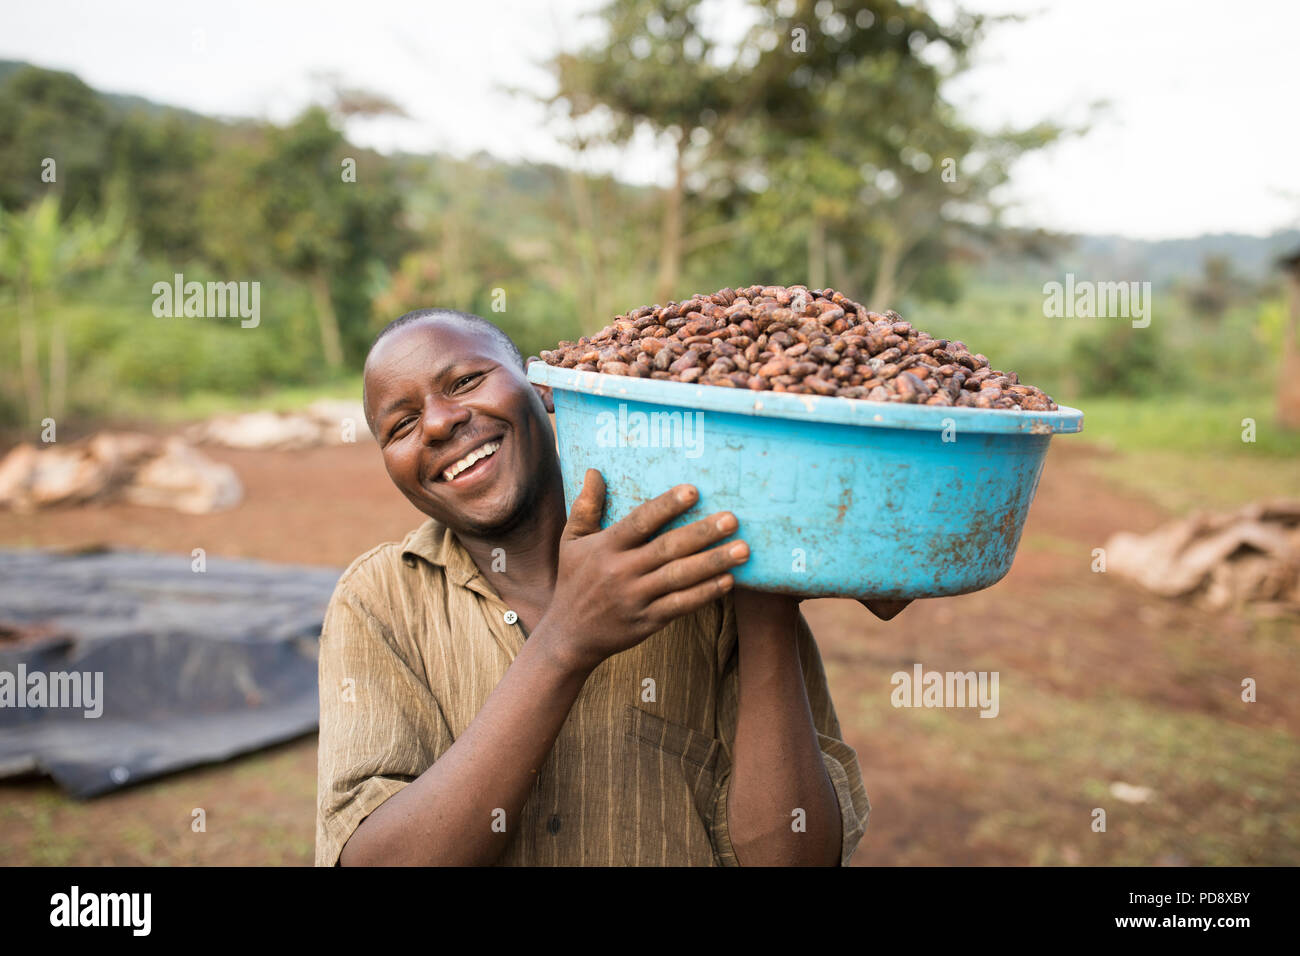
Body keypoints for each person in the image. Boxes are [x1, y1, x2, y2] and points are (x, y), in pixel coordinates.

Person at [315, 307, 909, 867]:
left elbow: (792, 853)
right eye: (403, 424)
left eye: (467, 381)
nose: (440, 422)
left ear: (545, 389)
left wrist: (762, 583)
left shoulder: (701, 564)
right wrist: (564, 644)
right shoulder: (379, 599)